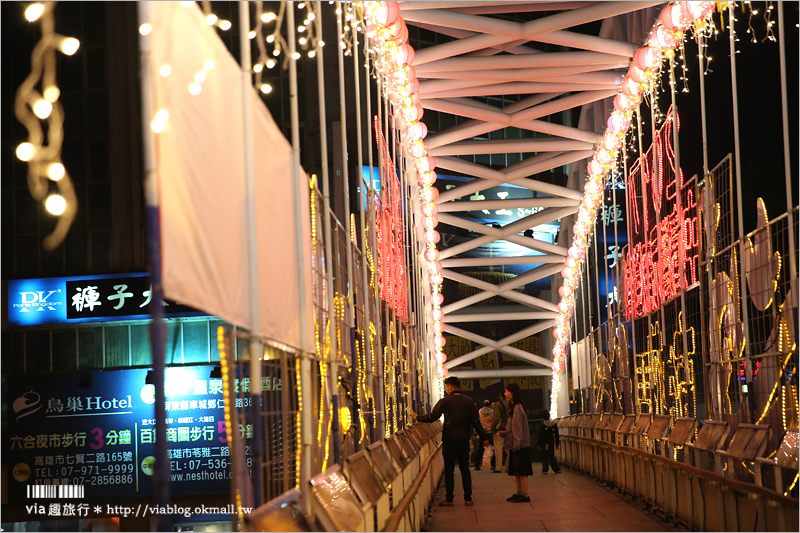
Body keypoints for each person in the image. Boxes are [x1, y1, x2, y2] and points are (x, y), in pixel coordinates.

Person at [412, 376, 489, 507]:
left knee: (449, 469)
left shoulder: (445, 401)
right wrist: (485, 438)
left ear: (449, 387)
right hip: (464, 440)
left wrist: (417, 417)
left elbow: (433, 417)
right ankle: (468, 498)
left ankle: (449, 499)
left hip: (449, 440)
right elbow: (476, 422)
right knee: (465, 469)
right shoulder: (469, 401)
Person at [499, 383, 533, 503]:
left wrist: (516, 445)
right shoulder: (514, 407)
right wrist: (504, 433)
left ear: (514, 393)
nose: (505, 394)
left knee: (522, 471)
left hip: (519, 445)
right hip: (517, 444)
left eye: (507, 391)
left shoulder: (517, 408)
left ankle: (525, 494)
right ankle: (519, 492)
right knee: (517, 471)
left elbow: (517, 429)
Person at [472, 400, 494, 470]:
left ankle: (477, 465)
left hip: (482, 432)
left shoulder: (480, 411)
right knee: (493, 449)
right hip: (490, 431)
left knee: (480, 449)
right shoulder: (493, 412)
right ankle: (493, 465)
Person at [538, 409, 561, 474]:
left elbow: (539, 435)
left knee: (544, 456)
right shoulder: (554, 424)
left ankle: (545, 469)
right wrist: (557, 443)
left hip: (544, 443)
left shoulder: (542, 425)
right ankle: (556, 469)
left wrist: (538, 444)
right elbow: (556, 435)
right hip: (551, 443)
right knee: (552, 456)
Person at [491, 391, 509, 473]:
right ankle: (508, 467)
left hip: (500, 429)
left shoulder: (498, 404)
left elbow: (496, 417)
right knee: (509, 449)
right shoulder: (511, 403)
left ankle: (498, 467)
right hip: (509, 428)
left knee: (498, 449)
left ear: (500, 395)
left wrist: (493, 428)